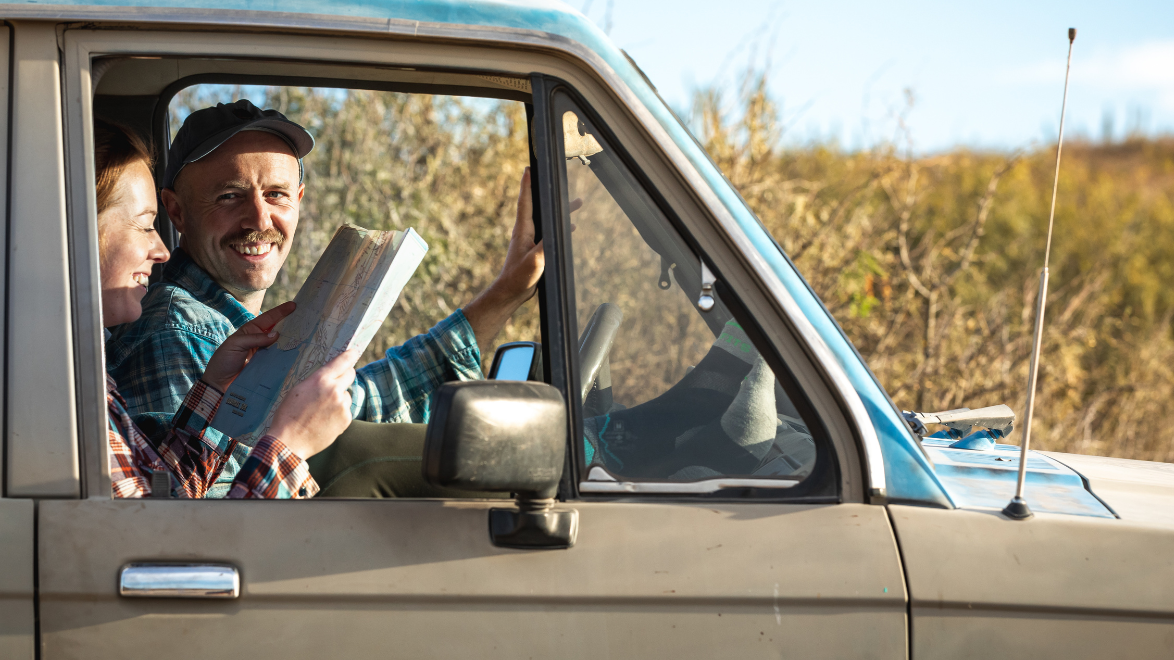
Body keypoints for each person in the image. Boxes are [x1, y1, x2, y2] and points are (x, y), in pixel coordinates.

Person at [106, 99, 545, 497]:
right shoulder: (176, 328)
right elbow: (207, 537)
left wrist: (506, 292)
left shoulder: (235, 343)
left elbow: (362, 401)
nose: (259, 218)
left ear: (298, 200)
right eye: (229, 197)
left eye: (276, 194)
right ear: (177, 211)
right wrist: (291, 445)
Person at [95, 119, 357, 498]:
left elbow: (168, 503)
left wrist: (215, 388)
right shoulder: (63, 397)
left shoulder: (88, 380)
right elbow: (168, 548)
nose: (161, 251)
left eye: (277, 194)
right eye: (145, 225)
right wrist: (290, 446)